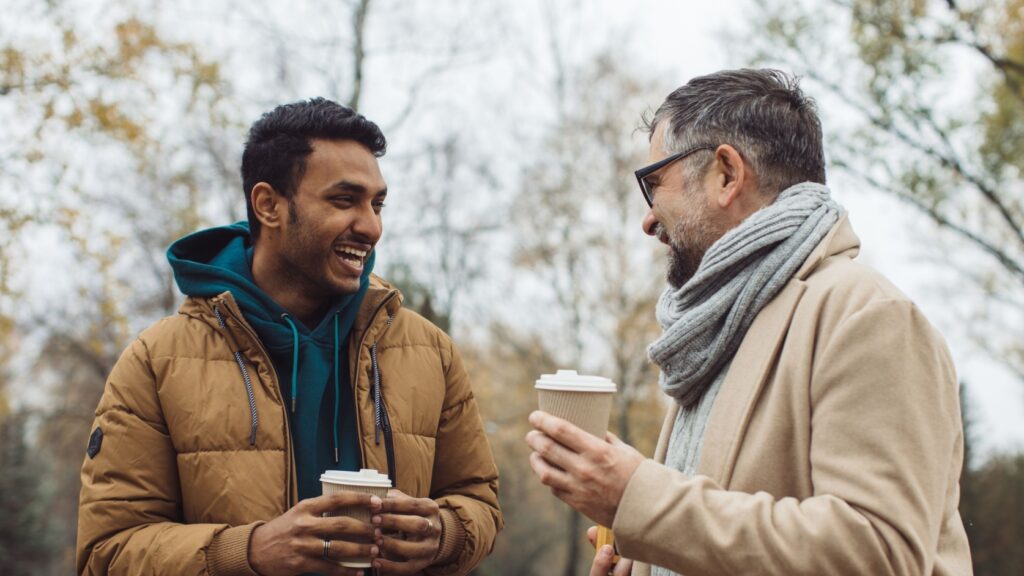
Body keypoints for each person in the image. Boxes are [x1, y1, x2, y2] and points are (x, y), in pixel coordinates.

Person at [526, 69, 971, 575]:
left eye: (655, 184)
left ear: (726, 174)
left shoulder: (869, 316)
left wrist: (638, 498)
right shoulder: (717, 332)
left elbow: (878, 553)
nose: (648, 219)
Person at [77, 97, 502, 576]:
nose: (371, 227)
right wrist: (251, 552)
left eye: (377, 204)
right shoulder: (157, 362)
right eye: (344, 200)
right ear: (269, 205)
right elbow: (106, 553)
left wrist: (443, 534)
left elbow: (479, 502)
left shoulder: (431, 352)